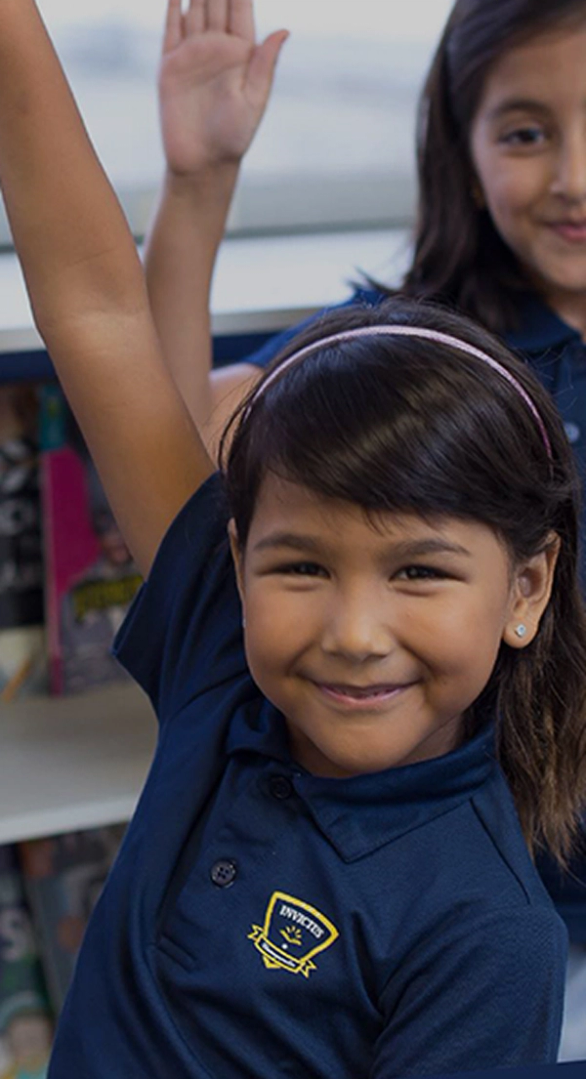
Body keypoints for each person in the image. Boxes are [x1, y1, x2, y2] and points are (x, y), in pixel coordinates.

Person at [1, 2, 585, 1076]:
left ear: (527, 587)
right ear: (233, 554)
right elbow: (97, 310)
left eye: (418, 571)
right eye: (302, 564)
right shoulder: (222, 651)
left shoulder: (490, 937)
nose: (353, 631)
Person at [145, 0, 586, 946]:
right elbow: (173, 444)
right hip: (430, 913)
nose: (573, 178)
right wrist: (199, 185)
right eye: (524, 132)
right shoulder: (418, 344)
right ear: (461, 153)